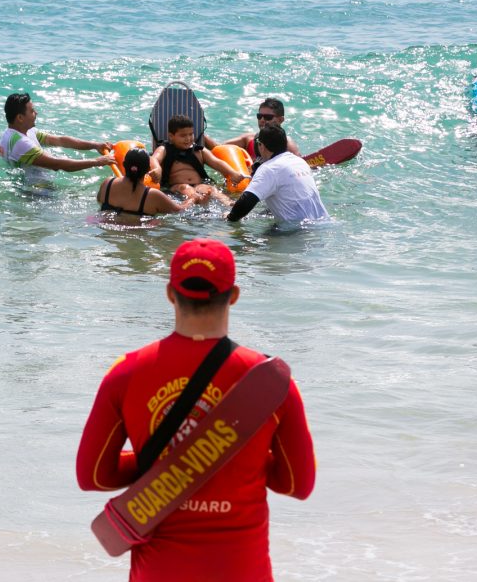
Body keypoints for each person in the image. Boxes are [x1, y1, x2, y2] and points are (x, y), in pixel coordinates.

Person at [76, 238, 315, 581]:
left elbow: (94, 476)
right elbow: (297, 484)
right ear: (233, 295)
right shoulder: (270, 381)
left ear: (170, 293)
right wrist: (237, 454)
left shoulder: (126, 373)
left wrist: (163, 464)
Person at [0, 92, 115, 185]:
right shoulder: (20, 143)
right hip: (34, 192)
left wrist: (95, 145)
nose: (36, 113)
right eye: (32, 111)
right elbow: (58, 164)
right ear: (20, 118)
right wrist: (97, 162)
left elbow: (60, 140)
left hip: (37, 185)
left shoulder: (17, 133)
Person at [226, 123, 328, 225]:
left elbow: (246, 201)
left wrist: (229, 218)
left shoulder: (269, 168)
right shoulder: (299, 162)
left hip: (296, 230)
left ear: (261, 146)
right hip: (323, 221)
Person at [149, 114, 246, 207]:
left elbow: (217, 162)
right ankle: (196, 199)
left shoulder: (199, 151)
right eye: (183, 136)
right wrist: (157, 169)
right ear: (171, 136)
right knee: (185, 187)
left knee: (211, 189)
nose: (188, 138)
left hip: (198, 185)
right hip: (175, 187)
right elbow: (154, 158)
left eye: (191, 134)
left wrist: (232, 172)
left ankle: (228, 203)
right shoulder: (164, 149)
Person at [97, 148, 211, 218]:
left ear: (124, 164)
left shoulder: (107, 183)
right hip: (136, 233)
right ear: (148, 169)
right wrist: (194, 198)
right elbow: (180, 211)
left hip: (105, 227)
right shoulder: (152, 195)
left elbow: (99, 201)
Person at [205, 97, 301, 162]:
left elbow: (301, 167)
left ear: (280, 120)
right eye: (260, 116)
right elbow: (219, 148)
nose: (262, 120)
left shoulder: (287, 144)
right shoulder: (248, 140)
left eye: (268, 117)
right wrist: (199, 135)